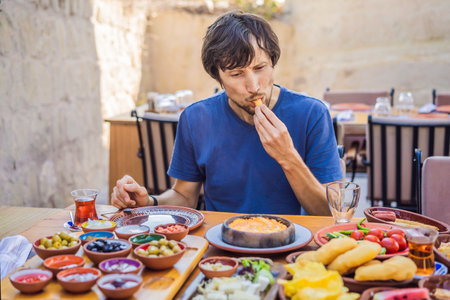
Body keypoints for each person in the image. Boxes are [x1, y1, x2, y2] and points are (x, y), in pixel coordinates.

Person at [111, 11, 343, 215]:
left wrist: (287, 157)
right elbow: (184, 197)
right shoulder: (195, 119)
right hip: (220, 249)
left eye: (260, 68)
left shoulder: (312, 114)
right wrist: (148, 202)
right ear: (218, 77)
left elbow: (330, 212)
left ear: (273, 63)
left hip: (294, 245)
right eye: (236, 74)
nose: (253, 86)